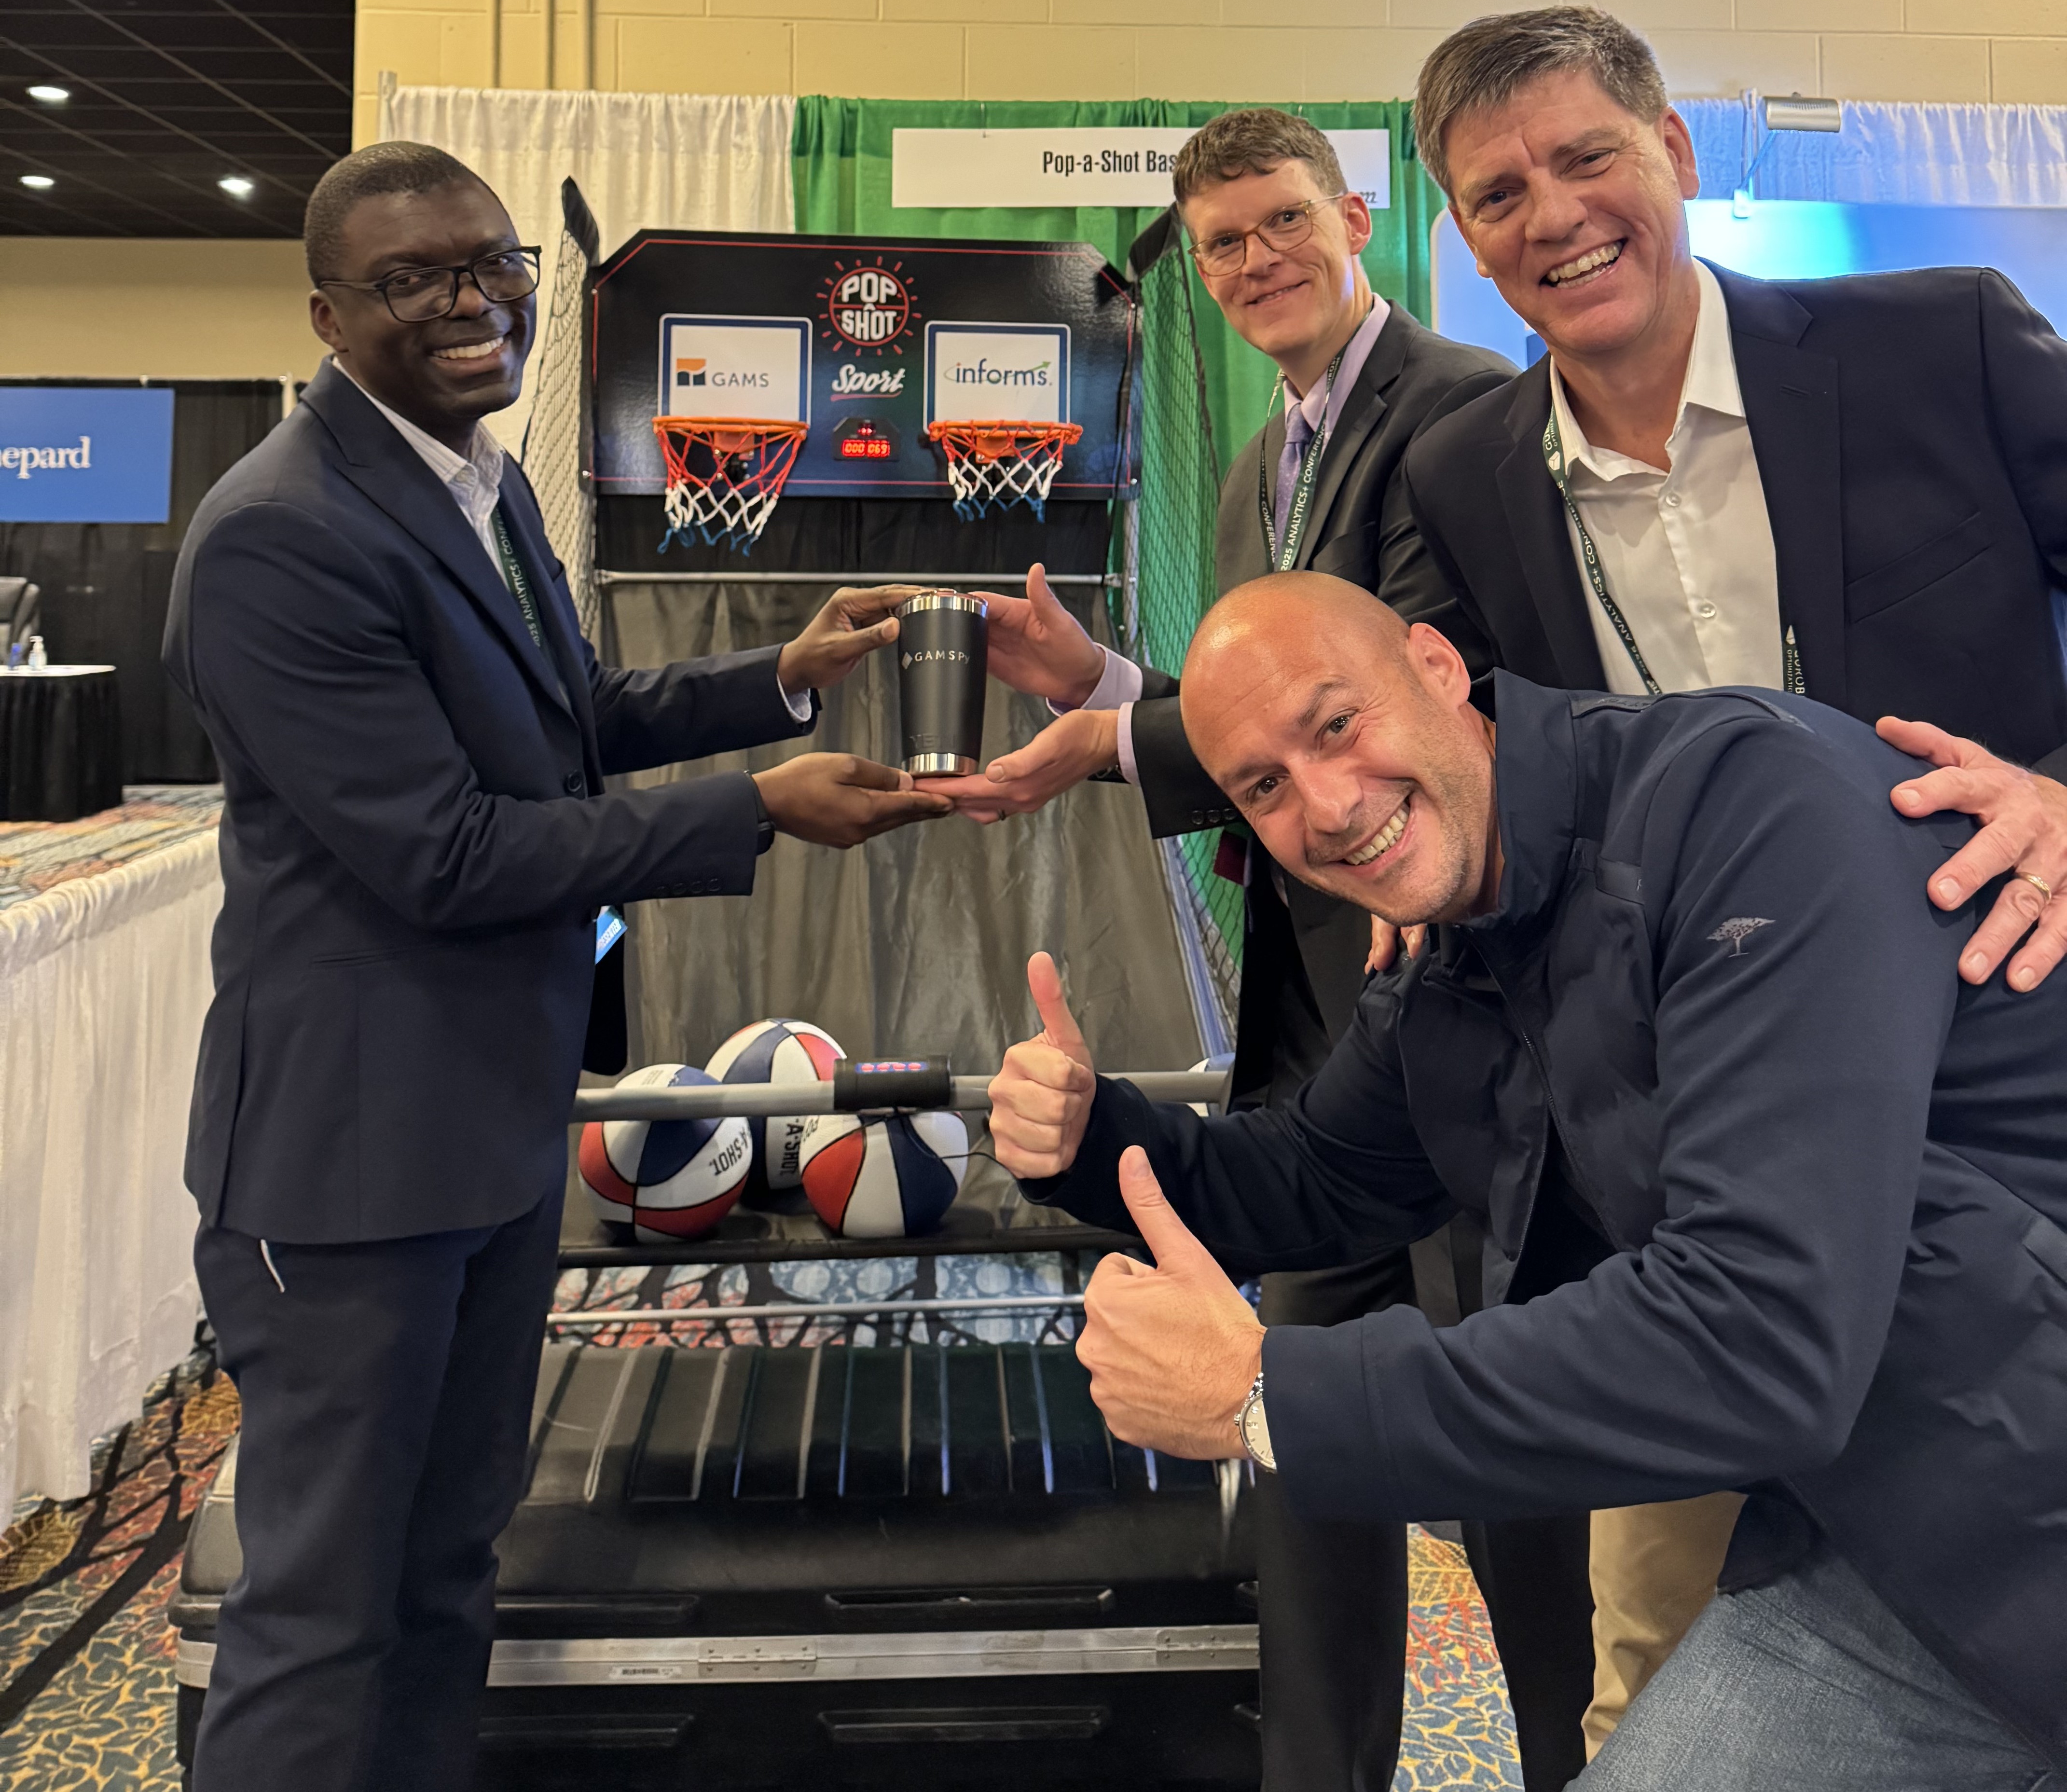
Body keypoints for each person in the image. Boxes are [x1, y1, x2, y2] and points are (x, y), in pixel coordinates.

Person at [990, 575, 2066, 1792]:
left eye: (1335, 725)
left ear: (1439, 668)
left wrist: (1268, 1394)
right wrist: (1091, 1136)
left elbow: (1761, 1335)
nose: (1329, 808)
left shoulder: (1746, 802)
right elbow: (1320, 1177)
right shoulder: (1460, 947)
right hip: (1885, 1549)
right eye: (1266, 789)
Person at [165, 140, 950, 1792]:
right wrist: (755, 810)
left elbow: (565, 724)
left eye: (493, 263)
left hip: (488, 1132)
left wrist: (779, 678)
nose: (472, 302)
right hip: (350, 1171)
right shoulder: (277, 536)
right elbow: (444, 852)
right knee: (321, 1612)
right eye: (412, 278)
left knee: (450, 1567)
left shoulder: (479, 478)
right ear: (325, 315)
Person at [1399, 3, 2067, 1747]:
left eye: (1586, 157)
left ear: (1674, 152)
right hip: (1699, 1148)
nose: (1552, 216)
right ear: (1460, 231)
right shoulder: (1465, 476)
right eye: (1496, 195)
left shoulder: (1941, 346)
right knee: (1655, 1671)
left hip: (2002, 1100)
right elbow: (1439, 737)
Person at [943, 110, 1589, 1791]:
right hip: (1314, 1036)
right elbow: (1259, 721)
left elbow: (1410, 689)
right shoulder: (1254, 468)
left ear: (1356, 216)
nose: (1255, 262)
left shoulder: (1459, 409)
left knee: (1508, 1467)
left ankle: (1568, 1764)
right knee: (1286, 1430)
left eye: (1283, 221)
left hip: (1464, 1020)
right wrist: (1103, 686)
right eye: (1224, 242)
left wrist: (1102, 743)